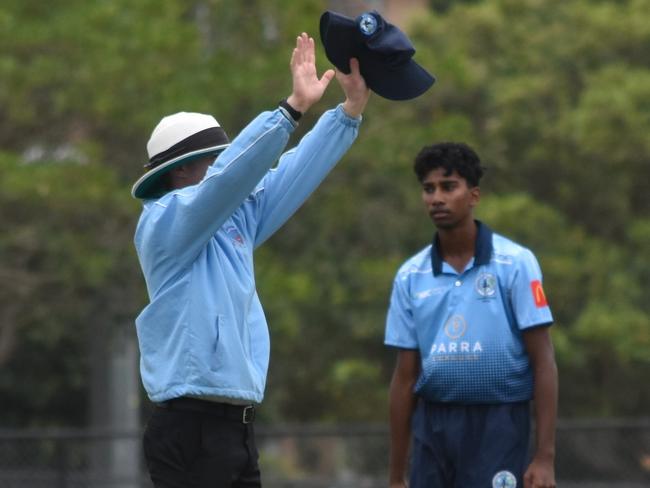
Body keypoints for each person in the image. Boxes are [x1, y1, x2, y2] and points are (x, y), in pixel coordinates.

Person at [131, 32, 370, 488]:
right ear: (181, 171)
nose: (236, 167)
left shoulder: (234, 221)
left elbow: (292, 173)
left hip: (237, 427)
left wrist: (348, 113)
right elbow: (228, 178)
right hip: (189, 429)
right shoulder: (163, 222)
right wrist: (290, 110)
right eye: (217, 160)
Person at [385, 143, 558, 488]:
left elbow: (543, 360)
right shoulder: (410, 275)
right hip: (432, 426)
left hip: (499, 423)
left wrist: (544, 457)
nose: (436, 198)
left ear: (473, 194)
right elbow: (405, 378)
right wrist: (395, 475)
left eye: (448, 187)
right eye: (428, 189)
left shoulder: (515, 263)